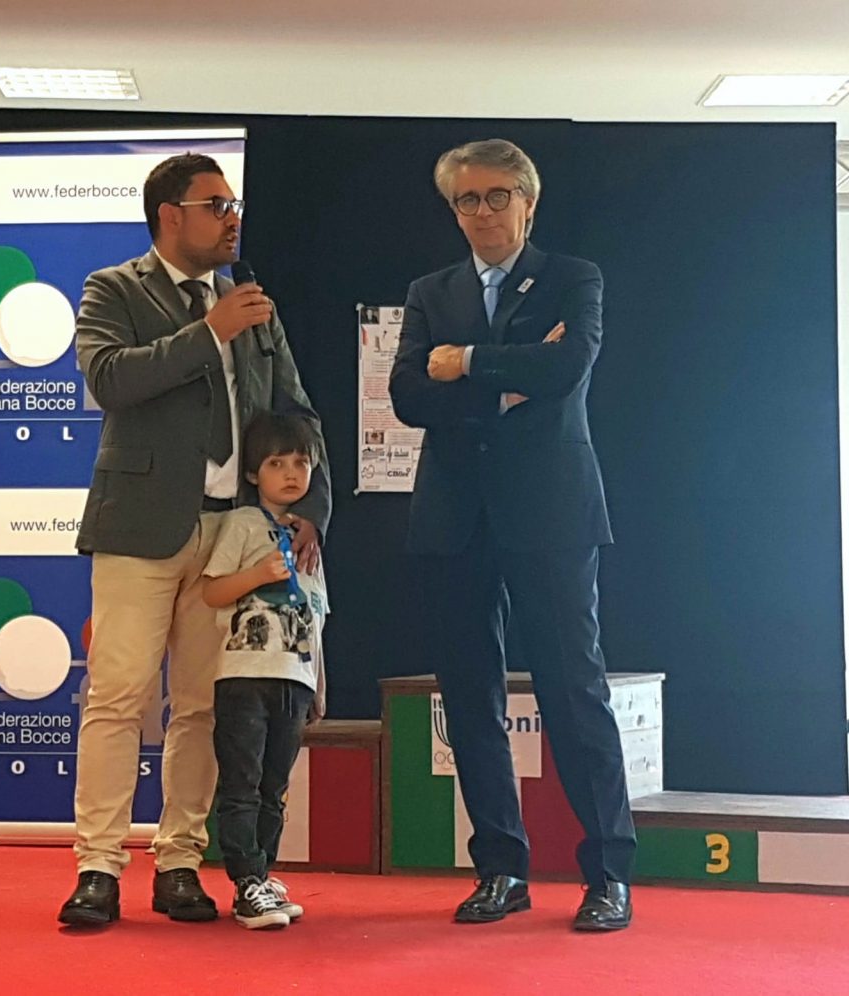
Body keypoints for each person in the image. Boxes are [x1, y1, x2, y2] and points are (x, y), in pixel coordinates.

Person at [58, 153, 331, 927]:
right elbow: (110, 379)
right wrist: (209, 332)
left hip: (232, 535)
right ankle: (97, 866)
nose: (232, 217)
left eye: (234, 204)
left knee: (206, 707)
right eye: (217, 205)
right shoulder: (114, 288)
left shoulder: (252, 304)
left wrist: (311, 506)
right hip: (138, 526)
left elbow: (296, 412)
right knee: (118, 698)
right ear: (170, 215)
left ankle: (180, 860)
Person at [388, 138, 636, 931]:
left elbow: (566, 370)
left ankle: (608, 873)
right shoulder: (430, 291)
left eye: (499, 196)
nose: (484, 212)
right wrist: (508, 375)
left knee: (573, 690)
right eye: (468, 199)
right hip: (455, 518)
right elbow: (407, 396)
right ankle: (500, 868)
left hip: (552, 514)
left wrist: (463, 363)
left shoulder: (574, 278)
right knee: (470, 699)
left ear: (529, 203)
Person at [201, 412, 328, 930]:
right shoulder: (241, 525)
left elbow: (317, 616)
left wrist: (319, 683)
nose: (291, 473)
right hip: (244, 674)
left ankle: (263, 874)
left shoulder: (308, 538)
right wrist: (257, 574)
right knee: (243, 782)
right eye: (277, 463)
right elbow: (212, 591)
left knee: (275, 785)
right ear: (254, 473)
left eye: (301, 462)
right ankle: (244, 879)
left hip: (295, 679)